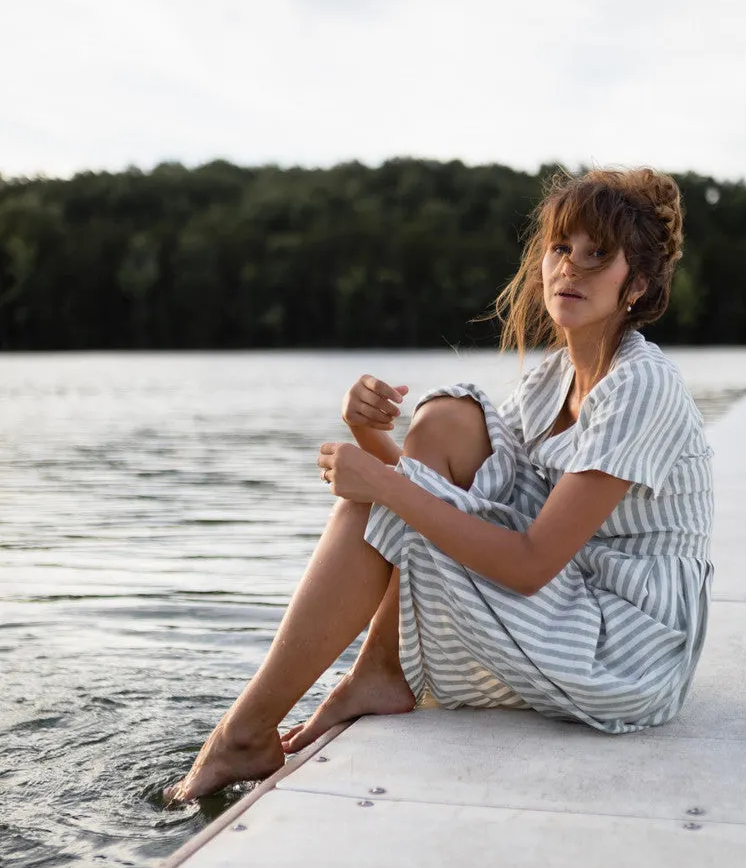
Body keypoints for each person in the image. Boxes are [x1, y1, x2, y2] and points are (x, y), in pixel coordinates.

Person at [166, 167, 713, 803]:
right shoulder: (550, 381)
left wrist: (383, 482)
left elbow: (530, 563)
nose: (571, 268)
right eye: (561, 248)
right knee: (446, 420)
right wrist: (371, 435)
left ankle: (253, 729)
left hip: (629, 647)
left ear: (636, 285)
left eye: (598, 256)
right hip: (575, 596)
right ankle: (375, 672)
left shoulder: (641, 385)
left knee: (383, 494)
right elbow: (453, 490)